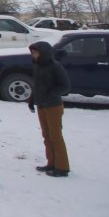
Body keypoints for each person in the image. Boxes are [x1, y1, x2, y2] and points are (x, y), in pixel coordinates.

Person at [28, 41, 72, 177]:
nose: (33, 55)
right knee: (46, 135)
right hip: (41, 105)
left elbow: (65, 86)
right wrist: (32, 99)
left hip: (53, 106)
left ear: (44, 53)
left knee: (55, 136)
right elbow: (36, 85)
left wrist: (50, 94)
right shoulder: (36, 66)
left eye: (35, 53)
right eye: (32, 53)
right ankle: (51, 162)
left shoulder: (55, 67)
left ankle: (62, 167)